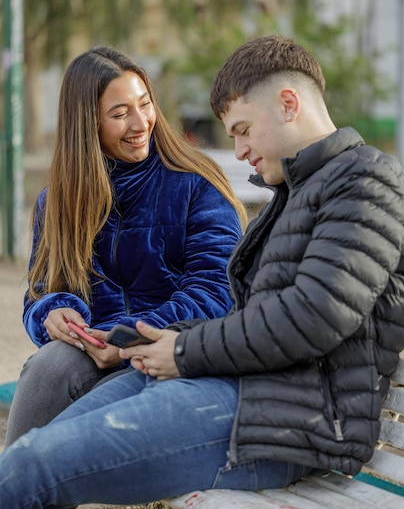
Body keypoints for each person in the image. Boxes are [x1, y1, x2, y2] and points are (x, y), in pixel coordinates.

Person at [1, 35, 404, 508]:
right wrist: (151, 341)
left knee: (36, 468)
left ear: (287, 104)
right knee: (29, 457)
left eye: (242, 129)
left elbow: (313, 317)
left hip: (283, 425)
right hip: (233, 387)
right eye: (120, 113)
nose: (237, 151)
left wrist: (179, 347)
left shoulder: (366, 180)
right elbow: (250, 315)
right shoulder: (292, 195)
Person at [5, 45, 246, 446]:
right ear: (88, 126)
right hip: (93, 354)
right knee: (48, 368)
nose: (141, 122)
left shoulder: (195, 184)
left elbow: (216, 291)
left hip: (171, 355)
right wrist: (54, 312)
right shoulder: (57, 202)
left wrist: (127, 340)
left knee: (89, 417)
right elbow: (42, 290)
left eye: (145, 104)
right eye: (119, 114)